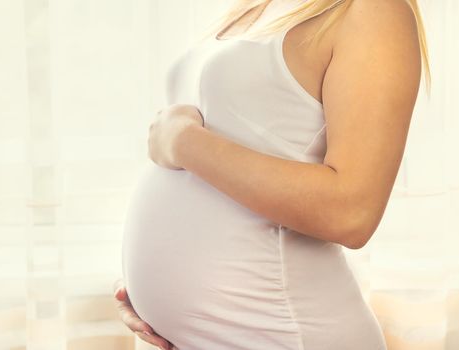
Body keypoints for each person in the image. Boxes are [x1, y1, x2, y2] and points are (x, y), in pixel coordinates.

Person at [116, 0, 429, 349]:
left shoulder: (372, 9)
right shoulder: (257, 5)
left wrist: (183, 143)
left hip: (282, 333)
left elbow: (352, 212)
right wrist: (149, 290)